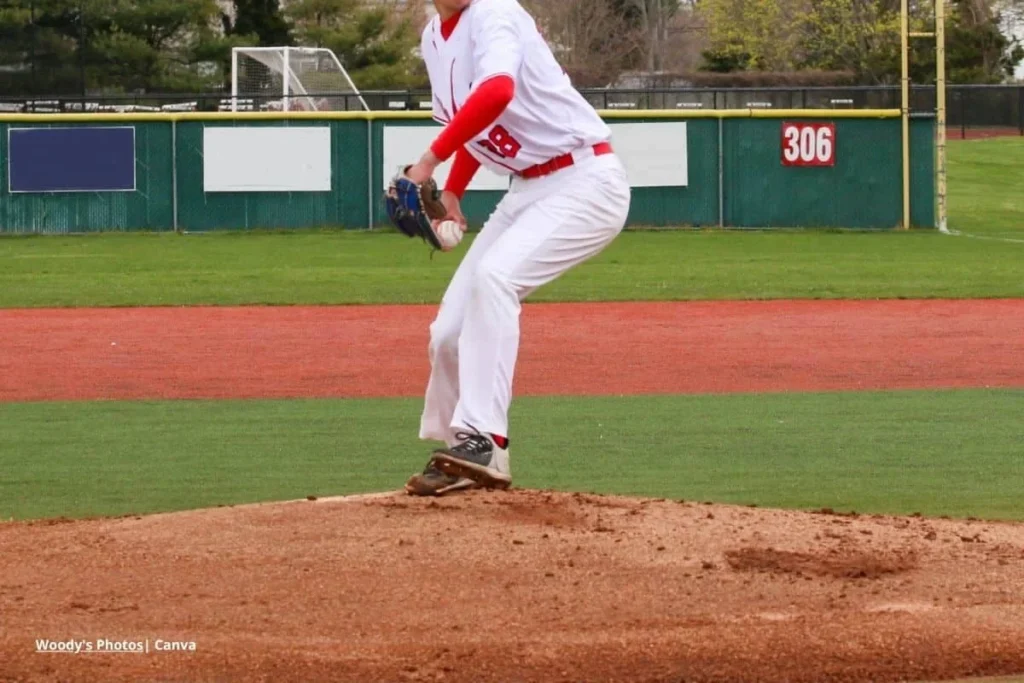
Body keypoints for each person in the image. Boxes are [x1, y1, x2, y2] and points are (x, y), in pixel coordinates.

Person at [403, 0, 631, 496]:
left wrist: (428, 163)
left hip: (586, 179)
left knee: (496, 279)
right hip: (526, 190)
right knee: (448, 333)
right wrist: (453, 192)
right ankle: (462, 454)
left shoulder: (495, 12)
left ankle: (486, 438)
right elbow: (475, 121)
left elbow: (497, 92)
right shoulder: (433, 39)